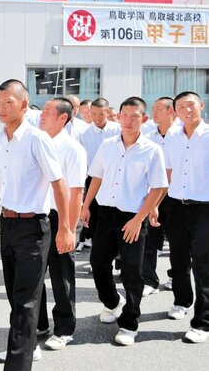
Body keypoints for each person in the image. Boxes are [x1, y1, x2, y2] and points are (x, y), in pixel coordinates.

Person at [0, 79, 73, 370]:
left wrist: (65, 228)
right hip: (8, 224)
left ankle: (18, 362)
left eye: (8, 103)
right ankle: (23, 347)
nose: (1, 108)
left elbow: (60, 185)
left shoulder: (37, 139)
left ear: (24, 105)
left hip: (33, 228)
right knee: (17, 296)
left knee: (26, 300)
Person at [81, 96, 168, 346]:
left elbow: (158, 187)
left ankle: (129, 323)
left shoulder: (152, 150)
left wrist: (139, 218)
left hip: (132, 216)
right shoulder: (108, 145)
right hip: (105, 214)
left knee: (131, 271)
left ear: (144, 119)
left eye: (135, 116)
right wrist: (85, 206)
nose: (128, 121)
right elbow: (96, 177)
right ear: (116, 116)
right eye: (124, 115)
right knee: (98, 264)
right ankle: (112, 302)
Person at [37, 98, 87, 350]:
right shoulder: (36, 141)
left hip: (61, 216)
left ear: (63, 118)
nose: (41, 115)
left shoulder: (72, 149)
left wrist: (68, 227)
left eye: (47, 112)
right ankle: (39, 324)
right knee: (35, 274)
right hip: (37, 215)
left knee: (61, 273)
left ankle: (65, 328)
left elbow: (76, 192)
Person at [162, 91, 209, 342]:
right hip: (176, 206)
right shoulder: (172, 136)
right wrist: (157, 205)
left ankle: (202, 323)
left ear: (200, 105)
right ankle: (181, 301)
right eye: (181, 106)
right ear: (175, 112)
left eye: (191, 104)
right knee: (178, 259)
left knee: (203, 263)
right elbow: (168, 171)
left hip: (204, 208)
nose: (187, 110)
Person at [76, 98, 121, 252]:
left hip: (116, 177)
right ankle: (98, 252)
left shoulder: (118, 129)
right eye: (93, 114)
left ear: (108, 112)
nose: (96, 118)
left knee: (117, 215)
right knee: (96, 218)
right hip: (93, 179)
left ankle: (119, 257)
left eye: (101, 114)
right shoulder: (85, 134)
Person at [142, 97, 176, 297]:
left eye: (158, 109)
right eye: (152, 108)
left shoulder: (180, 135)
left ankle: (174, 276)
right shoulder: (148, 136)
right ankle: (149, 280)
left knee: (176, 240)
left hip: (174, 196)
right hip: (152, 193)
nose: (153, 113)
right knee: (149, 239)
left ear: (170, 111)